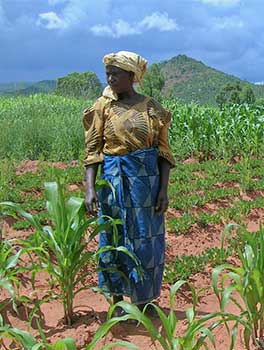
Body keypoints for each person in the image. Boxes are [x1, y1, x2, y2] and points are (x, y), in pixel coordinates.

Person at [83, 51, 175, 317]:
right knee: (114, 236)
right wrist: (90, 189)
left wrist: (164, 192)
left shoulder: (152, 108)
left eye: (116, 74)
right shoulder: (103, 106)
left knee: (146, 240)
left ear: (131, 77)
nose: (110, 79)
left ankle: (145, 302)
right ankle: (117, 302)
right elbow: (93, 151)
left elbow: (164, 153)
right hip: (113, 182)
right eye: (108, 74)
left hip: (146, 184)